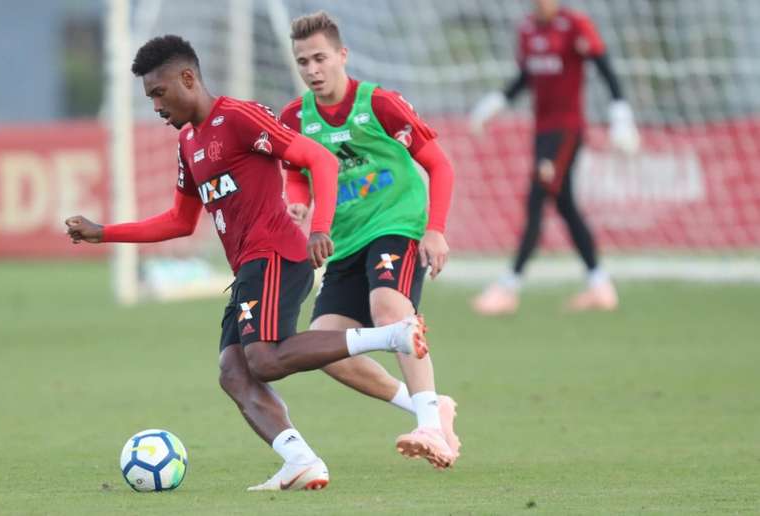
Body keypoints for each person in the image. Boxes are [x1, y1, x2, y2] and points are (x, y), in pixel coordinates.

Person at [64, 35, 428, 491]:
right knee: (233, 371)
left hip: (276, 254)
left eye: (159, 93)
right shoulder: (188, 144)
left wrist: (320, 227)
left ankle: (392, 334)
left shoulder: (238, 116)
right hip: (248, 270)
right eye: (149, 97)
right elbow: (180, 221)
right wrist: (105, 233)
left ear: (188, 78)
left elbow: (318, 158)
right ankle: (301, 460)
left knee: (265, 359)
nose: (155, 106)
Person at [280, 11, 459, 469]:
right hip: (343, 241)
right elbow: (294, 174)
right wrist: (297, 201)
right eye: (303, 62)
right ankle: (429, 408)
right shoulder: (295, 117)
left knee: (389, 309)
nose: (312, 70)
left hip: (396, 225)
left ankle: (431, 430)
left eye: (320, 58)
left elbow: (440, 165)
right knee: (324, 347)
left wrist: (435, 228)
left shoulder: (380, 105)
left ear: (342, 55)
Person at [470, 0, 639, 314]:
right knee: (564, 204)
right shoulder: (527, 29)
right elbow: (527, 76)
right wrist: (497, 101)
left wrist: (620, 113)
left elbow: (604, 67)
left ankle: (509, 287)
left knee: (537, 197)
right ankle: (600, 285)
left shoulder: (574, 25)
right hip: (542, 131)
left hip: (566, 131)